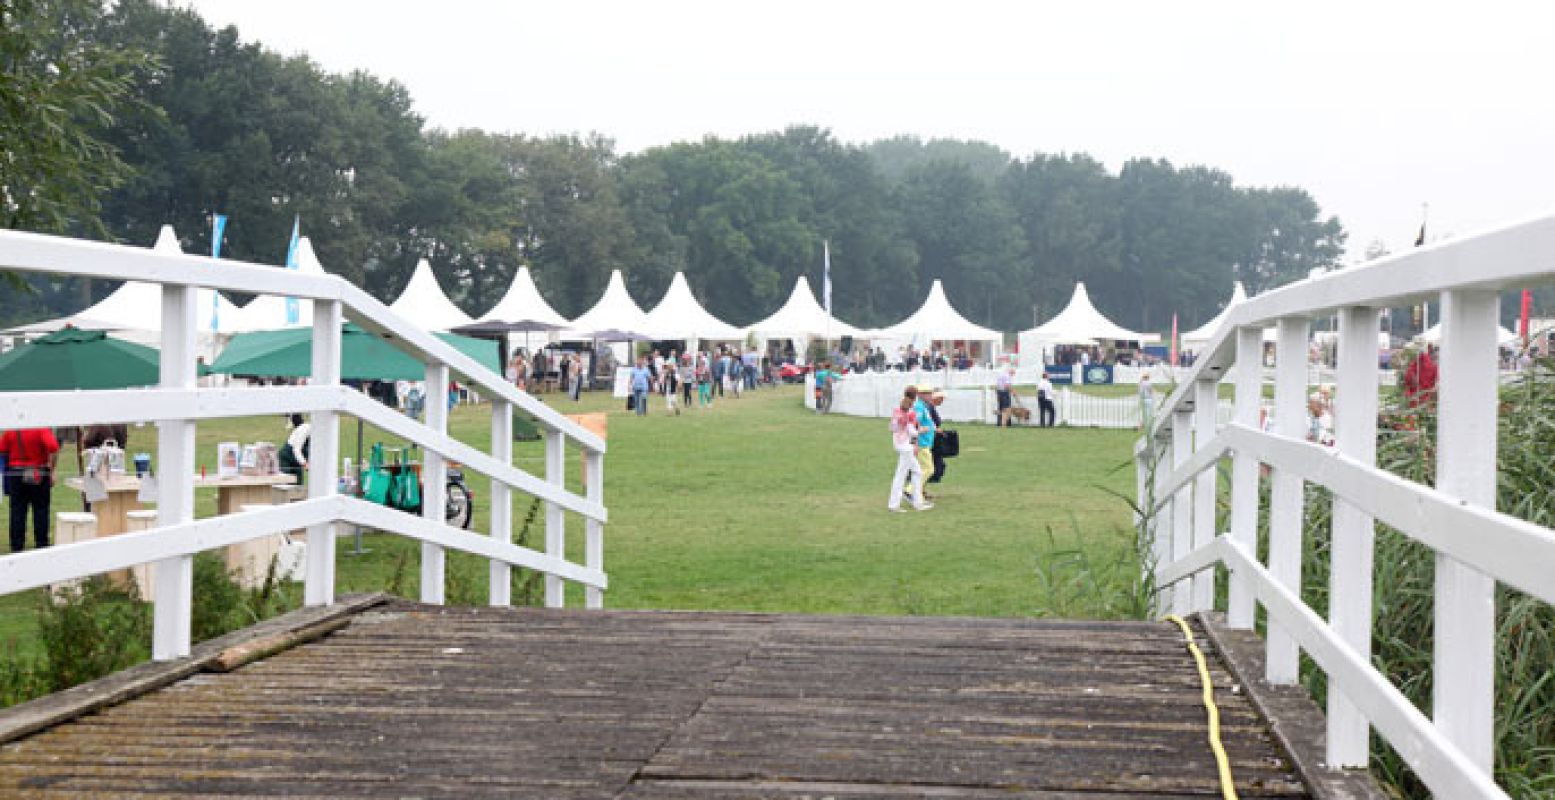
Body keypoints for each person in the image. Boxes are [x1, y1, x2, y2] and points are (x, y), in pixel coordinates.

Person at [0, 427, 61, 553]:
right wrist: (53, 468)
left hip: (16, 473)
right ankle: (41, 543)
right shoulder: (41, 428)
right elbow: (53, 447)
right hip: (38, 471)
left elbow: (2, 449)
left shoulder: (12, 429)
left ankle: (17, 545)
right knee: (41, 510)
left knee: (17, 511)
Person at [888, 389, 931, 512]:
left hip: (899, 444)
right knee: (901, 474)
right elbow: (913, 432)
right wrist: (922, 431)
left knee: (917, 472)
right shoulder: (910, 413)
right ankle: (895, 504)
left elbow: (892, 428)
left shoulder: (897, 411)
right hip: (906, 446)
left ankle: (917, 502)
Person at [279, 414, 311, 483]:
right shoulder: (305, 429)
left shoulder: (317, 435)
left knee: (298, 483)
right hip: (287, 456)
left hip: (297, 459)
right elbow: (296, 449)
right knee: (285, 483)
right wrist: (304, 463)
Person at [927, 390, 949, 484]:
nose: (942, 401)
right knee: (932, 465)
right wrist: (935, 429)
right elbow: (927, 423)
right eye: (941, 398)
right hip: (928, 440)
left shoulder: (930, 408)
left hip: (932, 439)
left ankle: (921, 490)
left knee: (934, 465)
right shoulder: (929, 408)